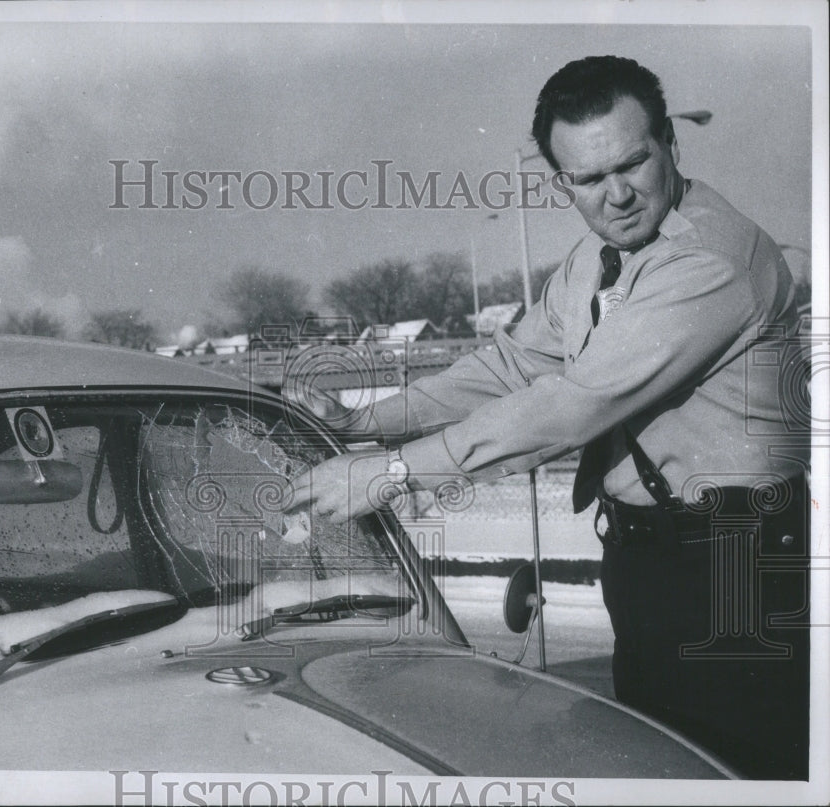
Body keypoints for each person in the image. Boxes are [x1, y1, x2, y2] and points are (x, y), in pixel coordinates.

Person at [283, 55, 810, 780]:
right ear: (561, 181)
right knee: (656, 766)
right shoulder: (594, 260)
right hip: (649, 559)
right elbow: (510, 366)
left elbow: (570, 406)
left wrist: (394, 471)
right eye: (589, 179)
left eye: (633, 163)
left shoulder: (711, 258)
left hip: (735, 564)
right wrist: (361, 421)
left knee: (733, 772)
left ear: (670, 145)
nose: (617, 194)